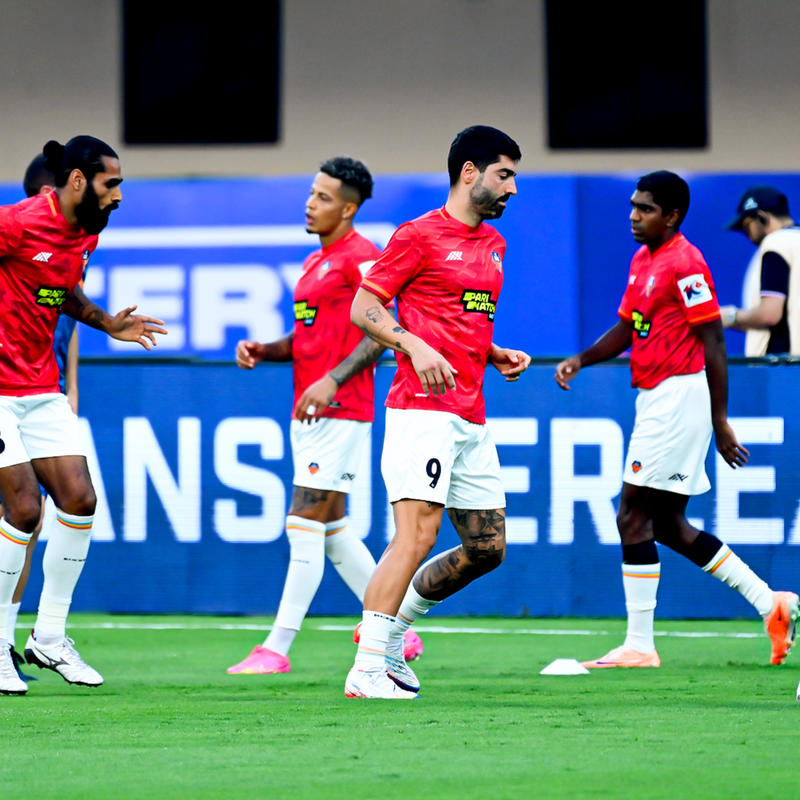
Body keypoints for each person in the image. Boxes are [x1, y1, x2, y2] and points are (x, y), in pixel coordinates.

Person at [555, 171, 798, 668]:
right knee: (666, 523)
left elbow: (714, 341)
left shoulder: (686, 263)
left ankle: (640, 646)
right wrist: (582, 359)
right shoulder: (643, 260)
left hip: (679, 396)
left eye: (644, 208)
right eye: (632, 206)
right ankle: (769, 602)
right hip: (656, 397)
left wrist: (720, 419)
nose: (633, 216)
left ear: (672, 216)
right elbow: (629, 326)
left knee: (631, 515)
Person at [344, 125, 531, 699]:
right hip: (421, 410)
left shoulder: (494, 245)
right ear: (469, 173)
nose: (513, 189)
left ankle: (392, 636)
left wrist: (492, 352)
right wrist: (413, 345)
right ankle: (366, 669)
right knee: (416, 536)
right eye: (504, 175)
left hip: (470, 415)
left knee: (487, 549)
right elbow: (363, 307)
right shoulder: (418, 235)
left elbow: (462, 317)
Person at [228, 157, 422, 676]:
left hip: (339, 407)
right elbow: (309, 337)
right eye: (312, 193)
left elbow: (382, 330)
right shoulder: (317, 262)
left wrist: (334, 379)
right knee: (331, 527)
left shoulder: (362, 258)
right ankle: (399, 631)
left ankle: (276, 648)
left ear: (349, 209)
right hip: (313, 408)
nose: (310, 204)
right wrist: (266, 350)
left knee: (303, 521)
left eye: (323, 197)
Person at [0, 136, 167, 695]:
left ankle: (48, 637)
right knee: (24, 508)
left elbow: (62, 289)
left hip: (40, 385)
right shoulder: (17, 222)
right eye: (110, 183)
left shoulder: (87, 233)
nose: (118, 195)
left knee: (79, 499)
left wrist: (105, 322)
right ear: (78, 181)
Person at [5, 155, 82, 681]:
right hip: (6, 392)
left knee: (33, 517)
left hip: (42, 392)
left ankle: (21, 639)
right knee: (21, 513)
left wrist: (70, 387)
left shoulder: (76, 247)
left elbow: (65, 319)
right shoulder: (16, 233)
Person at [720, 186, 800, 355]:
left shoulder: (776, 242)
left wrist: (729, 316)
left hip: (785, 365)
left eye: (746, 226)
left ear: (762, 217)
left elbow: (770, 314)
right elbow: (787, 318)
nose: (747, 235)